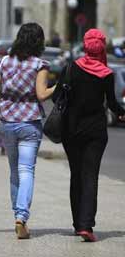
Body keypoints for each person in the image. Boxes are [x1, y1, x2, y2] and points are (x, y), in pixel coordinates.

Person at [53, 29, 125, 242]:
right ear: (102, 47)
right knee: (90, 176)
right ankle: (86, 225)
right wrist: (121, 113)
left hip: (71, 131)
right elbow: (112, 104)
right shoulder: (106, 74)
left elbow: (58, 95)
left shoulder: (70, 69)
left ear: (85, 46)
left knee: (76, 175)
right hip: (95, 132)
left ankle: (78, 224)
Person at [0, 23, 55, 239]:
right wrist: (59, 86)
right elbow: (41, 94)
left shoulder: (4, 61)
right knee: (27, 170)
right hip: (29, 122)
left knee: (14, 172)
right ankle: (21, 216)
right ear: (38, 42)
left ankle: (18, 216)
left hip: (7, 121)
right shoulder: (39, 65)